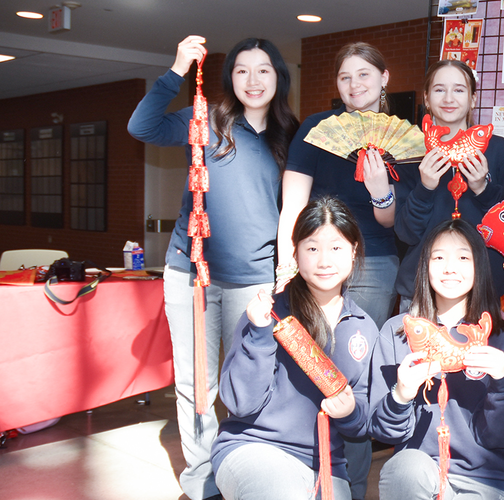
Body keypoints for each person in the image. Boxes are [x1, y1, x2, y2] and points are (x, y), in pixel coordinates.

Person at [127, 35, 298, 500]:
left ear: (279, 77)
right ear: (230, 79)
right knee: (196, 382)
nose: (253, 80)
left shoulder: (292, 135)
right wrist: (177, 68)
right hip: (192, 273)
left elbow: (297, 208)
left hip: (256, 278)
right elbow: (142, 126)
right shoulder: (205, 119)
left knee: (252, 379)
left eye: (264, 69)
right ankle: (202, 479)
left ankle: (246, 467)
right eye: (242, 70)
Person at [277, 42, 398, 498]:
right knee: (308, 364)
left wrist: (381, 190)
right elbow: (294, 202)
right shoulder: (314, 128)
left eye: (364, 75)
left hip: (374, 261)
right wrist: (288, 261)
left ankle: (348, 483)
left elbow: (393, 220)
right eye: (345, 77)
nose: (355, 85)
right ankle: (304, 468)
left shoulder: (397, 134)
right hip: (316, 258)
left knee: (355, 374)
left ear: (384, 78)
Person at [211, 196, 377, 500]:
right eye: (312, 248)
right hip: (256, 448)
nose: (324, 260)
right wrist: (259, 334)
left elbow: (361, 424)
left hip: (326, 465)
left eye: (336, 247)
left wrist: (351, 411)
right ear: (296, 254)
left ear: (353, 251)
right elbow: (240, 403)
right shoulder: (269, 313)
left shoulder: (363, 327)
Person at [369, 219, 504, 500]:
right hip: (418, 473)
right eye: (438, 257)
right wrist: (401, 394)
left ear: (479, 266)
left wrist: (503, 382)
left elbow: (501, 437)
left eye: (463, 257)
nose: (450, 268)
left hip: (486, 480)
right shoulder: (396, 332)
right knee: (405, 468)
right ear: (423, 266)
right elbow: (383, 432)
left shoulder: (502, 336)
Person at [394, 60, 504, 309]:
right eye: (439, 90)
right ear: (426, 98)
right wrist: (425, 188)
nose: (448, 98)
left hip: (482, 290)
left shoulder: (499, 149)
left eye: (458, 90)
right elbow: (405, 232)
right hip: (421, 291)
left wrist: (482, 189)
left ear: (473, 99)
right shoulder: (410, 152)